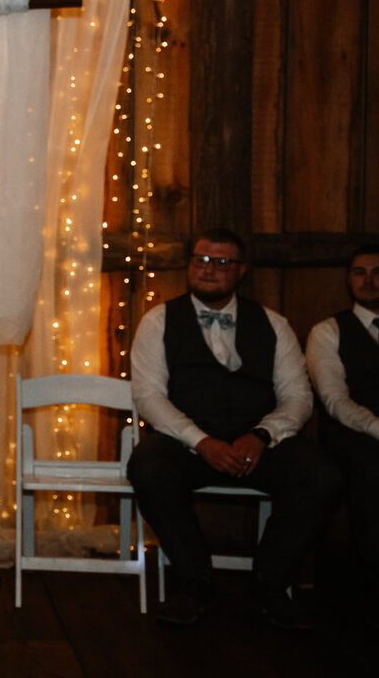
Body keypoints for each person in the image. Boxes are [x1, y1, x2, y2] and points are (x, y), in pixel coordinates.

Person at [126, 228, 341, 629]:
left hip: (256, 442)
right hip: (187, 443)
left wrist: (261, 436)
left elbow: (298, 396)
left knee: (321, 475)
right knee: (147, 465)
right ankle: (195, 582)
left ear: (240, 272)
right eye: (201, 260)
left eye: (221, 262)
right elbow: (150, 397)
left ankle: (269, 584)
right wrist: (201, 441)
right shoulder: (158, 321)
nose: (208, 269)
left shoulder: (274, 325)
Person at [305, 243, 379, 627]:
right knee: (371, 470)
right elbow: (334, 400)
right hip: (352, 434)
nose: (368, 280)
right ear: (349, 280)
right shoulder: (328, 331)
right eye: (359, 272)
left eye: (377, 272)